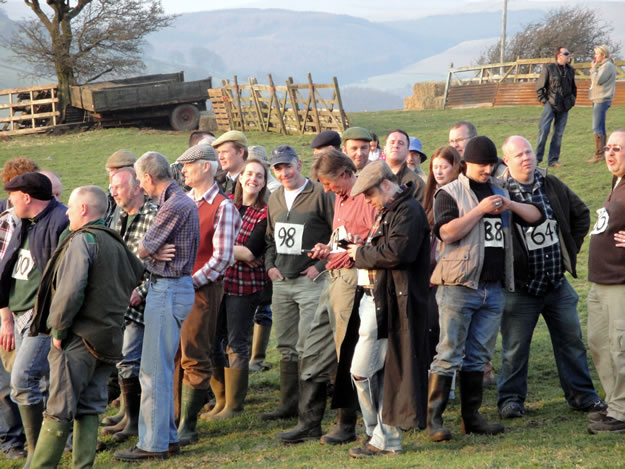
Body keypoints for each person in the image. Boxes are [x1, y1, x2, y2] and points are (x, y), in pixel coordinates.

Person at [427, 136, 542, 442]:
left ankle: (471, 418)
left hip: (493, 288)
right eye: (482, 164)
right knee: (449, 352)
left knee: (478, 356)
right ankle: (434, 421)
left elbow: (535, 216)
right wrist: (478, 210)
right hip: (458, 285)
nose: (488, 169)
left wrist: (510, 203)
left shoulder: (500, 190)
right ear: (466, 164)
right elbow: (446, 233)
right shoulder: (448, 193)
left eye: (492, 164)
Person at [28, 185, 144, 468]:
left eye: (70, 207)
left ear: (83, 209)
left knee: (58, 408)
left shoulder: (83, 240)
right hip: (109, 338)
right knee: (91, 406)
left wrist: (58, 329)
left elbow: (70, 291)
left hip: (77, 338)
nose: (66, 212)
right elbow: (137, 273)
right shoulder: (116, 241)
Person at [497, 136, 606, 419]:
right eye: (519, 155)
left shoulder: (551, 184)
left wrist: (570, 247)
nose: (526, 158)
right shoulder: (498, 193)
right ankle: (510, 401)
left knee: (572, 342)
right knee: (514, 349)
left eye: (529, 152)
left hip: (557, 283)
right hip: (520, 288)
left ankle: (583, 397)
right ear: (506, 160)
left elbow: (581, 213)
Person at [276, 148, 376, 445]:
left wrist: (344, 251)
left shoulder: (366, 200)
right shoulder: (341, 199)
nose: (327, 189)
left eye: (330, 183)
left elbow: (371, 243)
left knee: (345, 350)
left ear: (345, 174)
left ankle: (347, 424)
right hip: (330, 279)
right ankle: (309, 422)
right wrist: (327, 247)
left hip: (352, 281)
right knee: (313, 346)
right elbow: (342, 238)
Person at [341, 160, 430, 458]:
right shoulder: (393, 210)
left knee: (376, 372)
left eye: (369, 194)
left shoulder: (407, 211)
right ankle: (377, 433)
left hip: (392, 303)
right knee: (362, 373)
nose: (367, 200)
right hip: (379, 300)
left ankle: (384, 437)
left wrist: (359, 253)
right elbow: (389, 250)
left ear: (385, 185)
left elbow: (396, 254)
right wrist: (360, 247)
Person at [114, 151, 199, 461]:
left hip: (167, 290)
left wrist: (151, 250)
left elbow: (145, 246)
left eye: (140, 180)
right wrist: (152, 250)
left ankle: (153, 444)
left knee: (152, 372)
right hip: (170, 289)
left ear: (148, 178)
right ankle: (167, 437)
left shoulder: (173, 205)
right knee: (159, 368)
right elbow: (149, 248)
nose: (140, 186)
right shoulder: (177, 201)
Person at [173, 144, 240, 445]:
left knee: (194, 354)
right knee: (173, 353)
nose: (184, 170)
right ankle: (173, 420)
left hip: (201, 290)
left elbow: (222, 258)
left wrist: (189, 282)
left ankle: (188, 425)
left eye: (189, 164)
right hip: (175, 286)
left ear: (206, 167)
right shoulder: (183, 201)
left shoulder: (223, 206)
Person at [0, 172, 68, 467]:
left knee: (23, 380)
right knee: (30, 381)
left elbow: (65, 279)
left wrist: (57, 322)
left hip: (42, 319)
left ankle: (40, 452)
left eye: (13, 195)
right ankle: (41, 448)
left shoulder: (59, 222)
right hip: (20, 314)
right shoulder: (23, 223)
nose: (9, 200)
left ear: (27, 197)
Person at [262, 145, 334, 421]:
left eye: (287, 166)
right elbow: (270, 239)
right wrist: (270, 267)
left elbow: (336, 235)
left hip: (310, 281)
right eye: (278, 168)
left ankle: (309, 408)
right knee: (285, 344)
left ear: (299, 163)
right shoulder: (274, 197)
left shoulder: (320, 193)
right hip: (282, 280)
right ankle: (288, 404)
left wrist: (319, 267)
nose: (283, 172)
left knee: (308, 344)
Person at [206, 158, 268, 421]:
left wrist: (222, 250)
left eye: (259, 176)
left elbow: (253, 250)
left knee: (236, 342)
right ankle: (220, 399)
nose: (253, 179)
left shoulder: (266, 212)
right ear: (241, 177)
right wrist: (234, 252)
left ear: (264, 183)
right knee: (210, 340)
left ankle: (234, 405)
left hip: (245, 286)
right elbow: (209, 240)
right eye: (249, 174)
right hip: (218, 281)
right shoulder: (227, 203)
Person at [102, 168, 158, 442]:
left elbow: (162, 262)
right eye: (111, 187)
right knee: (124, 360)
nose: (113, 192)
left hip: (140, 302)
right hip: (117, 300)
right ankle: (127, 414)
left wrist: (143, 290)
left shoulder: (153, 215)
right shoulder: (118, 216)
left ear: (137, 187)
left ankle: (134, 422)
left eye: (118, 187)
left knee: (130, 360)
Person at [587, 129, 625, 434]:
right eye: (608, 148)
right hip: (600, 282)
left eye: (619, 149)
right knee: (599, 343)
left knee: (620, 347)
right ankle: (614, 405)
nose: (610, 154)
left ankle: (623, 413)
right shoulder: (618, 183)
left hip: (620, 282)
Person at [422, 146, 462, 364]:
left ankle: (448, 378)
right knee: (430, 324)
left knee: (444, 327)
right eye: (435, 167)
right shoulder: (430, 195)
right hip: (429, 268)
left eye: (443, 167)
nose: (438, 171)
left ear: (454, 167)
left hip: (449, 267)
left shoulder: (459, 193)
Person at [535, 46, 577, 168]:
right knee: (544, 131)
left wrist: (572, 100)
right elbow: (539, 88)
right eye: (566, 54)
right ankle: (537, 159)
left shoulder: (570, 70)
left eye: (569, 54)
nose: (569, 56)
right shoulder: (549, 69)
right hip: (551, 104)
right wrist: (545, 102)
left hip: (565, 107)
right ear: (559, 55)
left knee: (558, 134)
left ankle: (553, 160)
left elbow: (574, 88)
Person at [587, 45, 617, 164]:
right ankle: (602, 153)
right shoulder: (605, 66)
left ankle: (599, 155)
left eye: (597, 54)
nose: (595, 56)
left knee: (597, 127)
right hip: (598, 99)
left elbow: (598, 80)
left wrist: (593, 69)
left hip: (601, 99)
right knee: (600, 126)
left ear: (603, 55)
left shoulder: (607, 66)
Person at [383, 129, 425, 204]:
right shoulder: (373, 176)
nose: (395, 146)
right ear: (384, 149)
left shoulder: (417, 184)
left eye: (401, 143)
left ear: (406, 150)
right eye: (392, 142)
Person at [104, 150, 137, 224]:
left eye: (118, 171)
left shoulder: (138, 197)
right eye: (111, 171)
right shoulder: (106, 198)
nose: (114, 175)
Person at [213, 130, 248, 195]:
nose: (220, 157)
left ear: (240, 152)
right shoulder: (227, 180)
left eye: (225, 152)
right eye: (219, 153)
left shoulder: (249, 183)